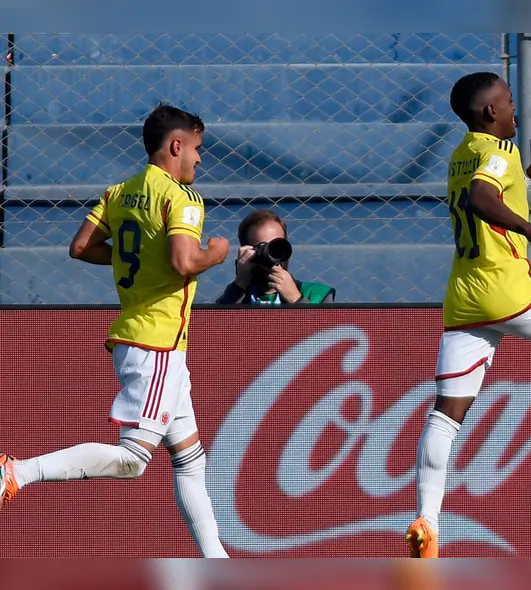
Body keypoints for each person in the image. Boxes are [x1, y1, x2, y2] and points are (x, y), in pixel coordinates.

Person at [0, 104, 231, 557]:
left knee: (189, 460)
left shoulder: (119, 192)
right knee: (132, 461)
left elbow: (81, 246)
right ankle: (17, 472)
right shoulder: (181, 197)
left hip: (143, 339)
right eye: (198, 149)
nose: (200, 160)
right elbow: (185, 261)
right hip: (157, 342)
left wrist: (141, 256)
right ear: (176, 146)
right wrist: (217, 253)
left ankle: (217, 562)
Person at [406, 72, 531, 558]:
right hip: (506, 285)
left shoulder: (464, 152)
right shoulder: (498, 152)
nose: (516, 111)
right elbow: (483, 197)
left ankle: (426, 520)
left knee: (447, 412)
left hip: (465, 296)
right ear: (490, 113)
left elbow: (489, 184)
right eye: (510, 103)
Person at [215, 209, 335, 305]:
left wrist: (296, 299)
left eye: (277, 246)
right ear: (245, 251)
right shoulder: (236, 299)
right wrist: (240, 284)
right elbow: (211, 330)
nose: (271, 254)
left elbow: (325, 333)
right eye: (262, 247)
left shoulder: (316, 294)